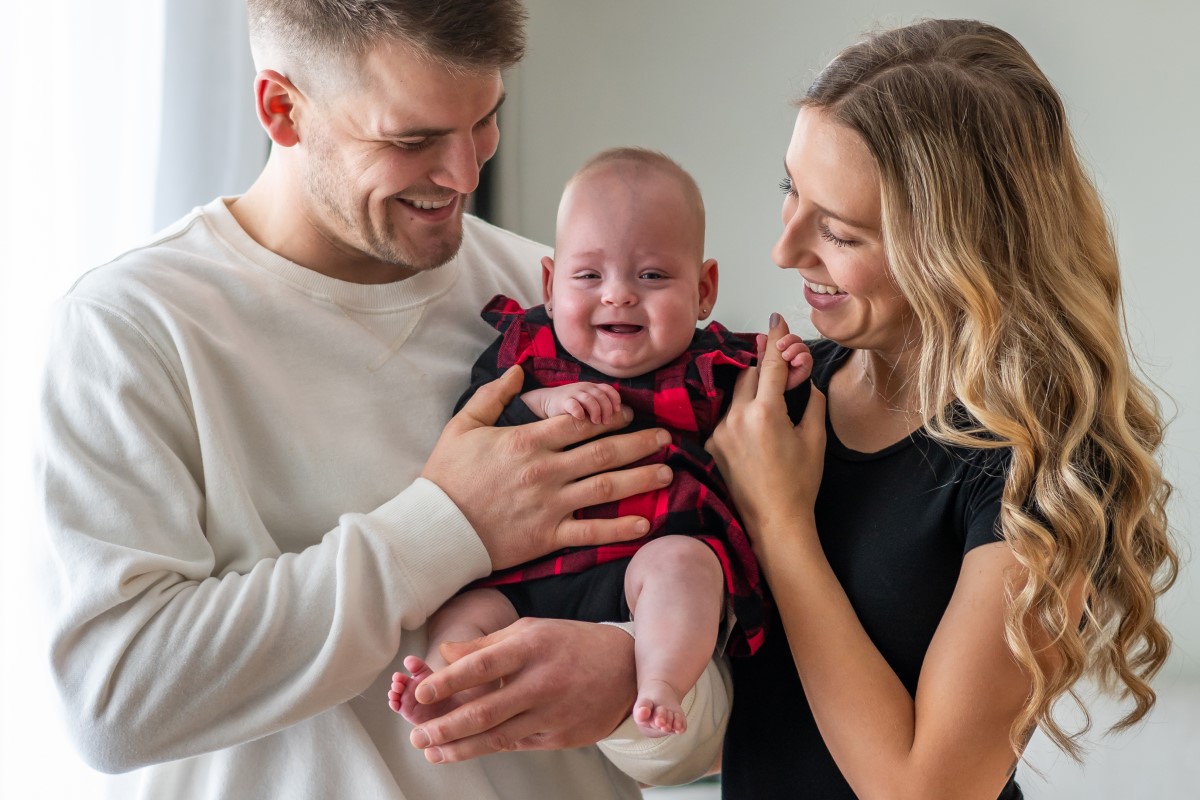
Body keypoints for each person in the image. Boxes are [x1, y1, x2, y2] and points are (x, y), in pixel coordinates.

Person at [34, 2, 730, 797]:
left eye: (484, 121)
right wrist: (448, 524)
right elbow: (115, 702)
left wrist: (622, 695)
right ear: (281, 109)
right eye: (412, 140)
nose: (466, 174)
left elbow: (716, 723)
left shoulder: (574, 308)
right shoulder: (131, 329)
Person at [705, 18, 1180, 799]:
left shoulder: (1043, 471)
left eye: (841, 231)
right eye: (790, 188)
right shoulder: (779, 400)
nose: (784, 251)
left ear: (959, 252)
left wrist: (781, 525)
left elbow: (927, 792)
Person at [388, 148, 811, 739]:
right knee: (465, 612)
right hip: (526, 571)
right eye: (588, 276)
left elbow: (767, 425)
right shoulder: (527, 350)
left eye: (653, 276)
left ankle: (660, 680)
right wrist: (542, 404)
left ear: (704, 289)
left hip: (650, 552)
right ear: (549, 284)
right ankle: (438, 684)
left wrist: (786, 378)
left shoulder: (715, 362)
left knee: (689, 568)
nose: (618, 295)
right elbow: (471, 425)